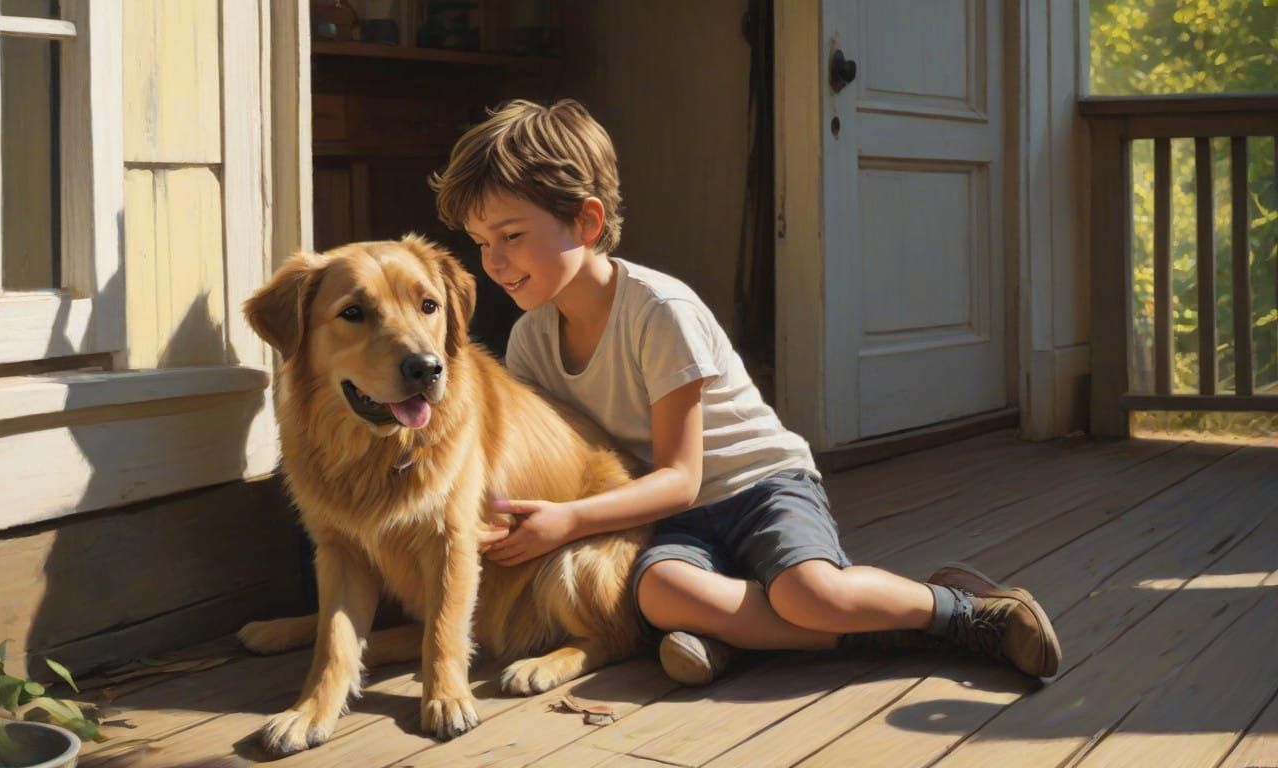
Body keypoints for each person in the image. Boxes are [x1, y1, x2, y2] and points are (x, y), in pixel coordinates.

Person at [427, 99, 1061, 685]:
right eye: (481, 243)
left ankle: (955, 612)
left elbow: (680, 475)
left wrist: (567, 520)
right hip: (666, 518)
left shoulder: (658, 311)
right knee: (659, 594)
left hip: (759, 486)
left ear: (586, 221)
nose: (494, 262)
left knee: (812, 595)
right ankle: (753, 634)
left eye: (512, 236)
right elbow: (577, 469)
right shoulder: (531, 341)